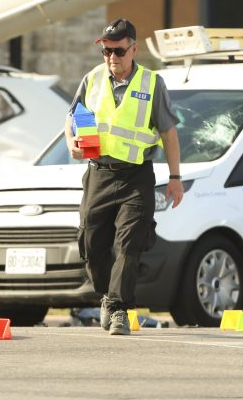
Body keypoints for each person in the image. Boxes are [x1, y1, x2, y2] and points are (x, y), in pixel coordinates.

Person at [65, 18, 184, 336]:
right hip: (98, 175)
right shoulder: (92, 80)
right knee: (91, 244)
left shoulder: (151, 83)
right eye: (105, 51)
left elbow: (168, 133)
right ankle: (107, 296)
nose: (111, 58)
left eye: (118, 51)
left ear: (133, 48)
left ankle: (118, 308)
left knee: (129, 244)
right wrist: (71, 144)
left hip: (136, 177)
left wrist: (175, 177)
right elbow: (73, 116)